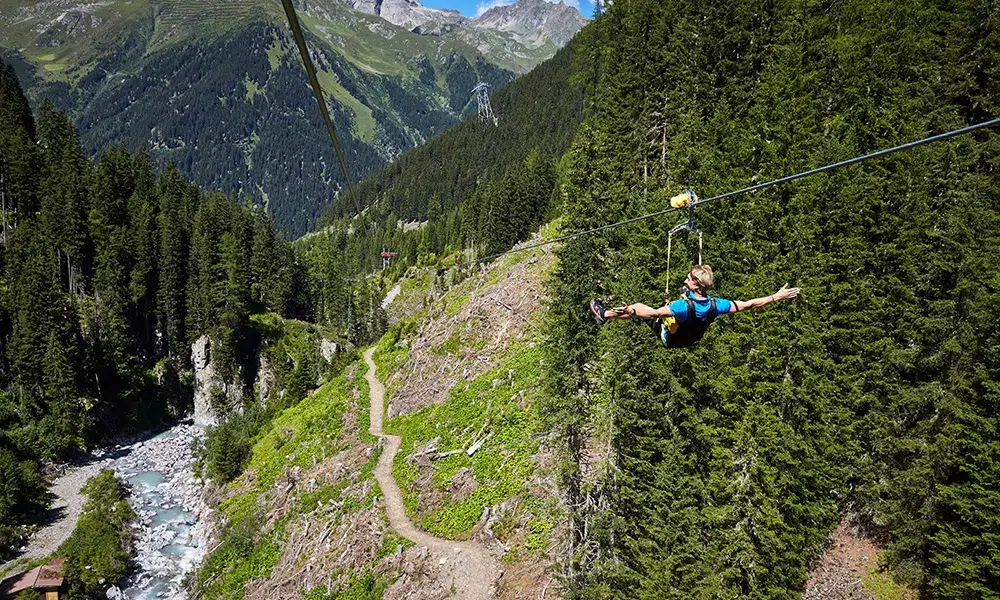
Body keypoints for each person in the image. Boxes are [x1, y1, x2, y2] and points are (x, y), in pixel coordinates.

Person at [589, 265, 801, 348]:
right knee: (664, 312)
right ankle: (609, 315)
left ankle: (604, 314)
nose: (686, 279)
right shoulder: (716, 305)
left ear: (696, 284)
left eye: (689, 278)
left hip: (670, 339)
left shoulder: (683, 306)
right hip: (690, 340)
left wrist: (631, 310)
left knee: (651, 313)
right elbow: (749, 304)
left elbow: (653, 312)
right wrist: (776, 296)